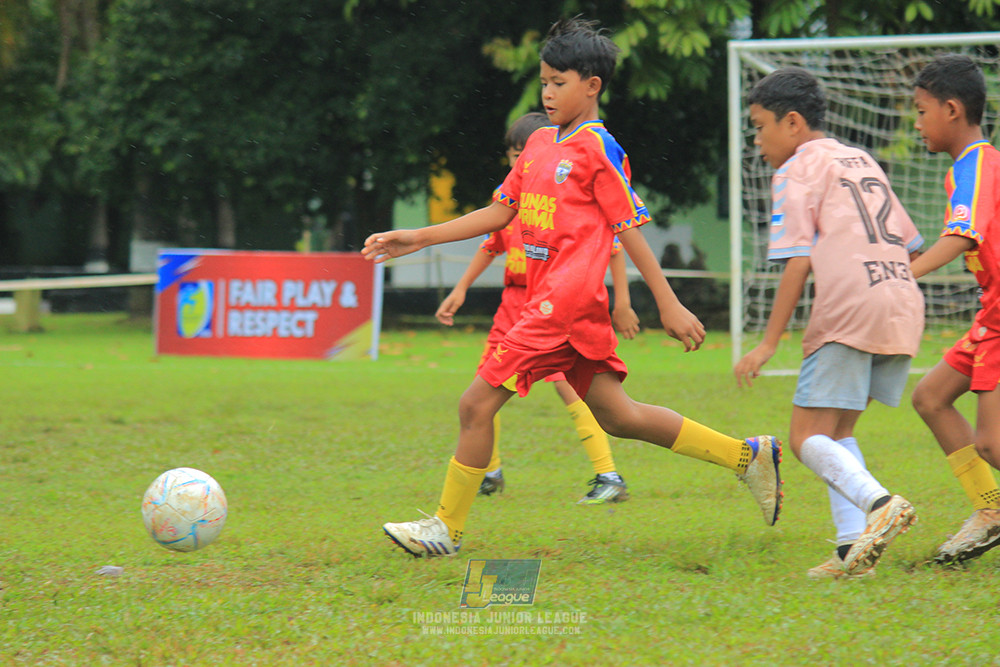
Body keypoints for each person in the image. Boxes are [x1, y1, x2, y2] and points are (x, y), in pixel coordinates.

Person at [363, 17, 782, 558]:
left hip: (562, 306)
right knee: (619, 415)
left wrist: (668, 303)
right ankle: (748, 457)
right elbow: (499, 212)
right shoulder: (538, 143)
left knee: (475, 405)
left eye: (559, 82)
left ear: (592, 86)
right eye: (544, 82)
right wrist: (418, 237)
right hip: (561, 309)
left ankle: (445, 529)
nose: (548, 92)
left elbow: (629, 230)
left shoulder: (599, 149)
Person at [734, 66, 922, 579]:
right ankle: (850, 552)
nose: (757, 140)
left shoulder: (796, 169)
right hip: (902, 302)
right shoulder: (859, 159)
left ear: (792, 123)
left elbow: (798, 259)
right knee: (837, 432)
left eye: (759, 126)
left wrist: (768, 343)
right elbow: (910, 242)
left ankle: (879, 503)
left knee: (803, 438)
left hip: (849, 310)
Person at [436, 111, 640, 504]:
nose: (517, 163)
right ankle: (487, 471)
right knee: (482, 390)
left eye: (521, 154)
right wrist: (460, 287)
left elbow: (619, 238)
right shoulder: (513, 196)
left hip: (555, 306)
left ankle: (607, 472)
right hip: (514, 303)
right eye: (513, 156)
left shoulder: (571, 182)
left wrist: (627, 301)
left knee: (570, 393)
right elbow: (489, 243)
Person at [909, 54, 1000, 565]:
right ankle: (991, 511)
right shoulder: (966, 168)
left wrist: (904, 275)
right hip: (991, 314)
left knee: (991, 443)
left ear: (951, 109)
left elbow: (963, 234)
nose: (918, 124)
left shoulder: (978, 163)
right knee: (931, 397)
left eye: (922, 112)